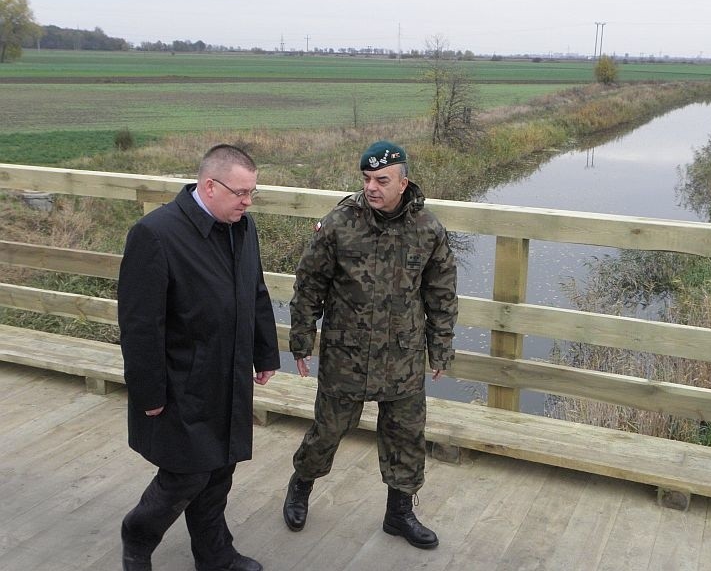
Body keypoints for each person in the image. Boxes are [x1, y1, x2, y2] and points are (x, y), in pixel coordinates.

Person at [283, 140, 458, 549]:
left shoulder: (427, 229)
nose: (372, 187)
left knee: (406, 436)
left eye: (382, 180)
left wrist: (441, 348)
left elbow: (442, 294)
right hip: (348, 354)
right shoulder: (340, 223)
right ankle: (301, 485)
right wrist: (302, 338)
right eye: (366, 179)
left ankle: (399, 514)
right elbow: (309, 284)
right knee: (327, 431)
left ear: (403, 182)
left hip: (404, 356)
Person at [118, 144, 280, 571]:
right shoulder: (156, 234)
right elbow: (139, 326)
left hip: (228, 375)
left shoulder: (243, 228)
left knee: (220, 470)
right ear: (209, 186)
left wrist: (265, 352)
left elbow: (255, 292)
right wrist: (147, 392)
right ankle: (137, 538)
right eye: (240, 193)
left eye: (252, 193)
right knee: (186, 475)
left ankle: (215, 555)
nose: (247, 202)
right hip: (180, 381)